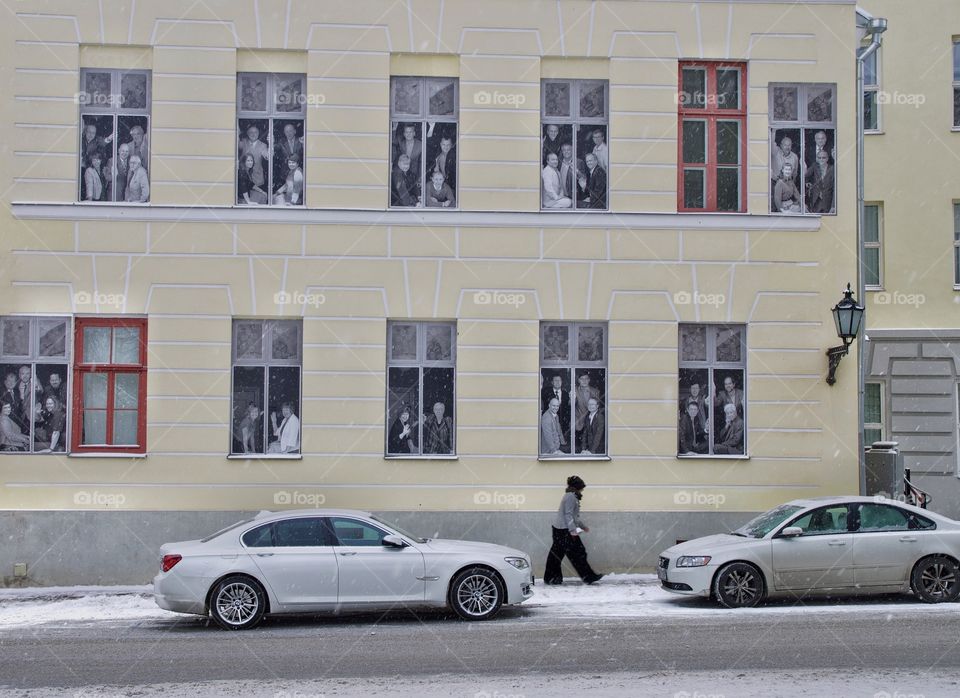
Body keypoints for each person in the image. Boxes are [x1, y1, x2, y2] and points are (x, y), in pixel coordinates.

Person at [543, 475, 603, 585]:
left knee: (556, 554)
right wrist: (572, 531)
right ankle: (588, 576)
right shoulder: (570, 497)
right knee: (578, 553)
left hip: (560, 529)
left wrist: (582, 526)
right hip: (564, 530)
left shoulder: (572, 496)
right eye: (581, 487)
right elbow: (568, 515)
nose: (582, 490)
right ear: (577, 487)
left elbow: (574, 517)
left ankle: (551, 578)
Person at [573, 373, 600, 450]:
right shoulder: (575, 390)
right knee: (578, 447)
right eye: (582, 379)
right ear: (578, 380)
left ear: (589, 380)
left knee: (591, 444)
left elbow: (597, 408)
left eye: (586, 378)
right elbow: (570, 404)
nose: (584, 381)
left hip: (591, 421)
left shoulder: (595, 391)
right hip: (579, 420)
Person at [239, 124, 269, 189]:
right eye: (251, 132)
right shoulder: (243, 142)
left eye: (255, 132)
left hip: (257, 178)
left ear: (258, 133)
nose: (253, 134)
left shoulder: (263, 145)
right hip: (244, 177)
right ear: (247, 133)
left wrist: (271, 144)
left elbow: (268, 156)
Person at [540, 373, 570, 438]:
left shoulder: (566, 394)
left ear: (562, 382)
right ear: (552, 382)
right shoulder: (545, 393)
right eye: (555, 380)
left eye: (559, 380)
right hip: (550, 422)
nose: (557, 382)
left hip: (563, 422)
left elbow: (568, 408)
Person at [805, 148, 835, 214]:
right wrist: (807, 182)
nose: (821, 159)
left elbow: (835, 188)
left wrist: (833, 206)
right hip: (816, 200)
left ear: (827, 159)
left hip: (827, 201)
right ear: (817, 159)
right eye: (819, 158)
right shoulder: (814, 166)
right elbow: (805, 176)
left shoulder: (832, 169)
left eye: (823, 158)